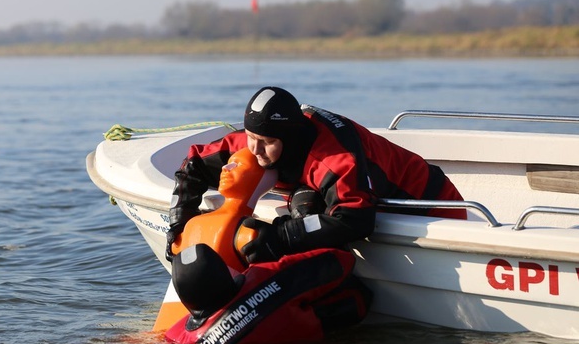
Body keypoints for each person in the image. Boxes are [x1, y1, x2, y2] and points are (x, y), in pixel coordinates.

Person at [167, 86, 466, 264]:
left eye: (268, 143)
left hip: (433, 208)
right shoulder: (258, 140)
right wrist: (179, 224)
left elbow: (355, 219)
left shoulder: (333, 157)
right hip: (379, 202)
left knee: (306, 206)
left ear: (290, 137)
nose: (255, 151)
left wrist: (279, 235)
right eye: (250, 137)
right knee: (304, 201)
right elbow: (192, 165)